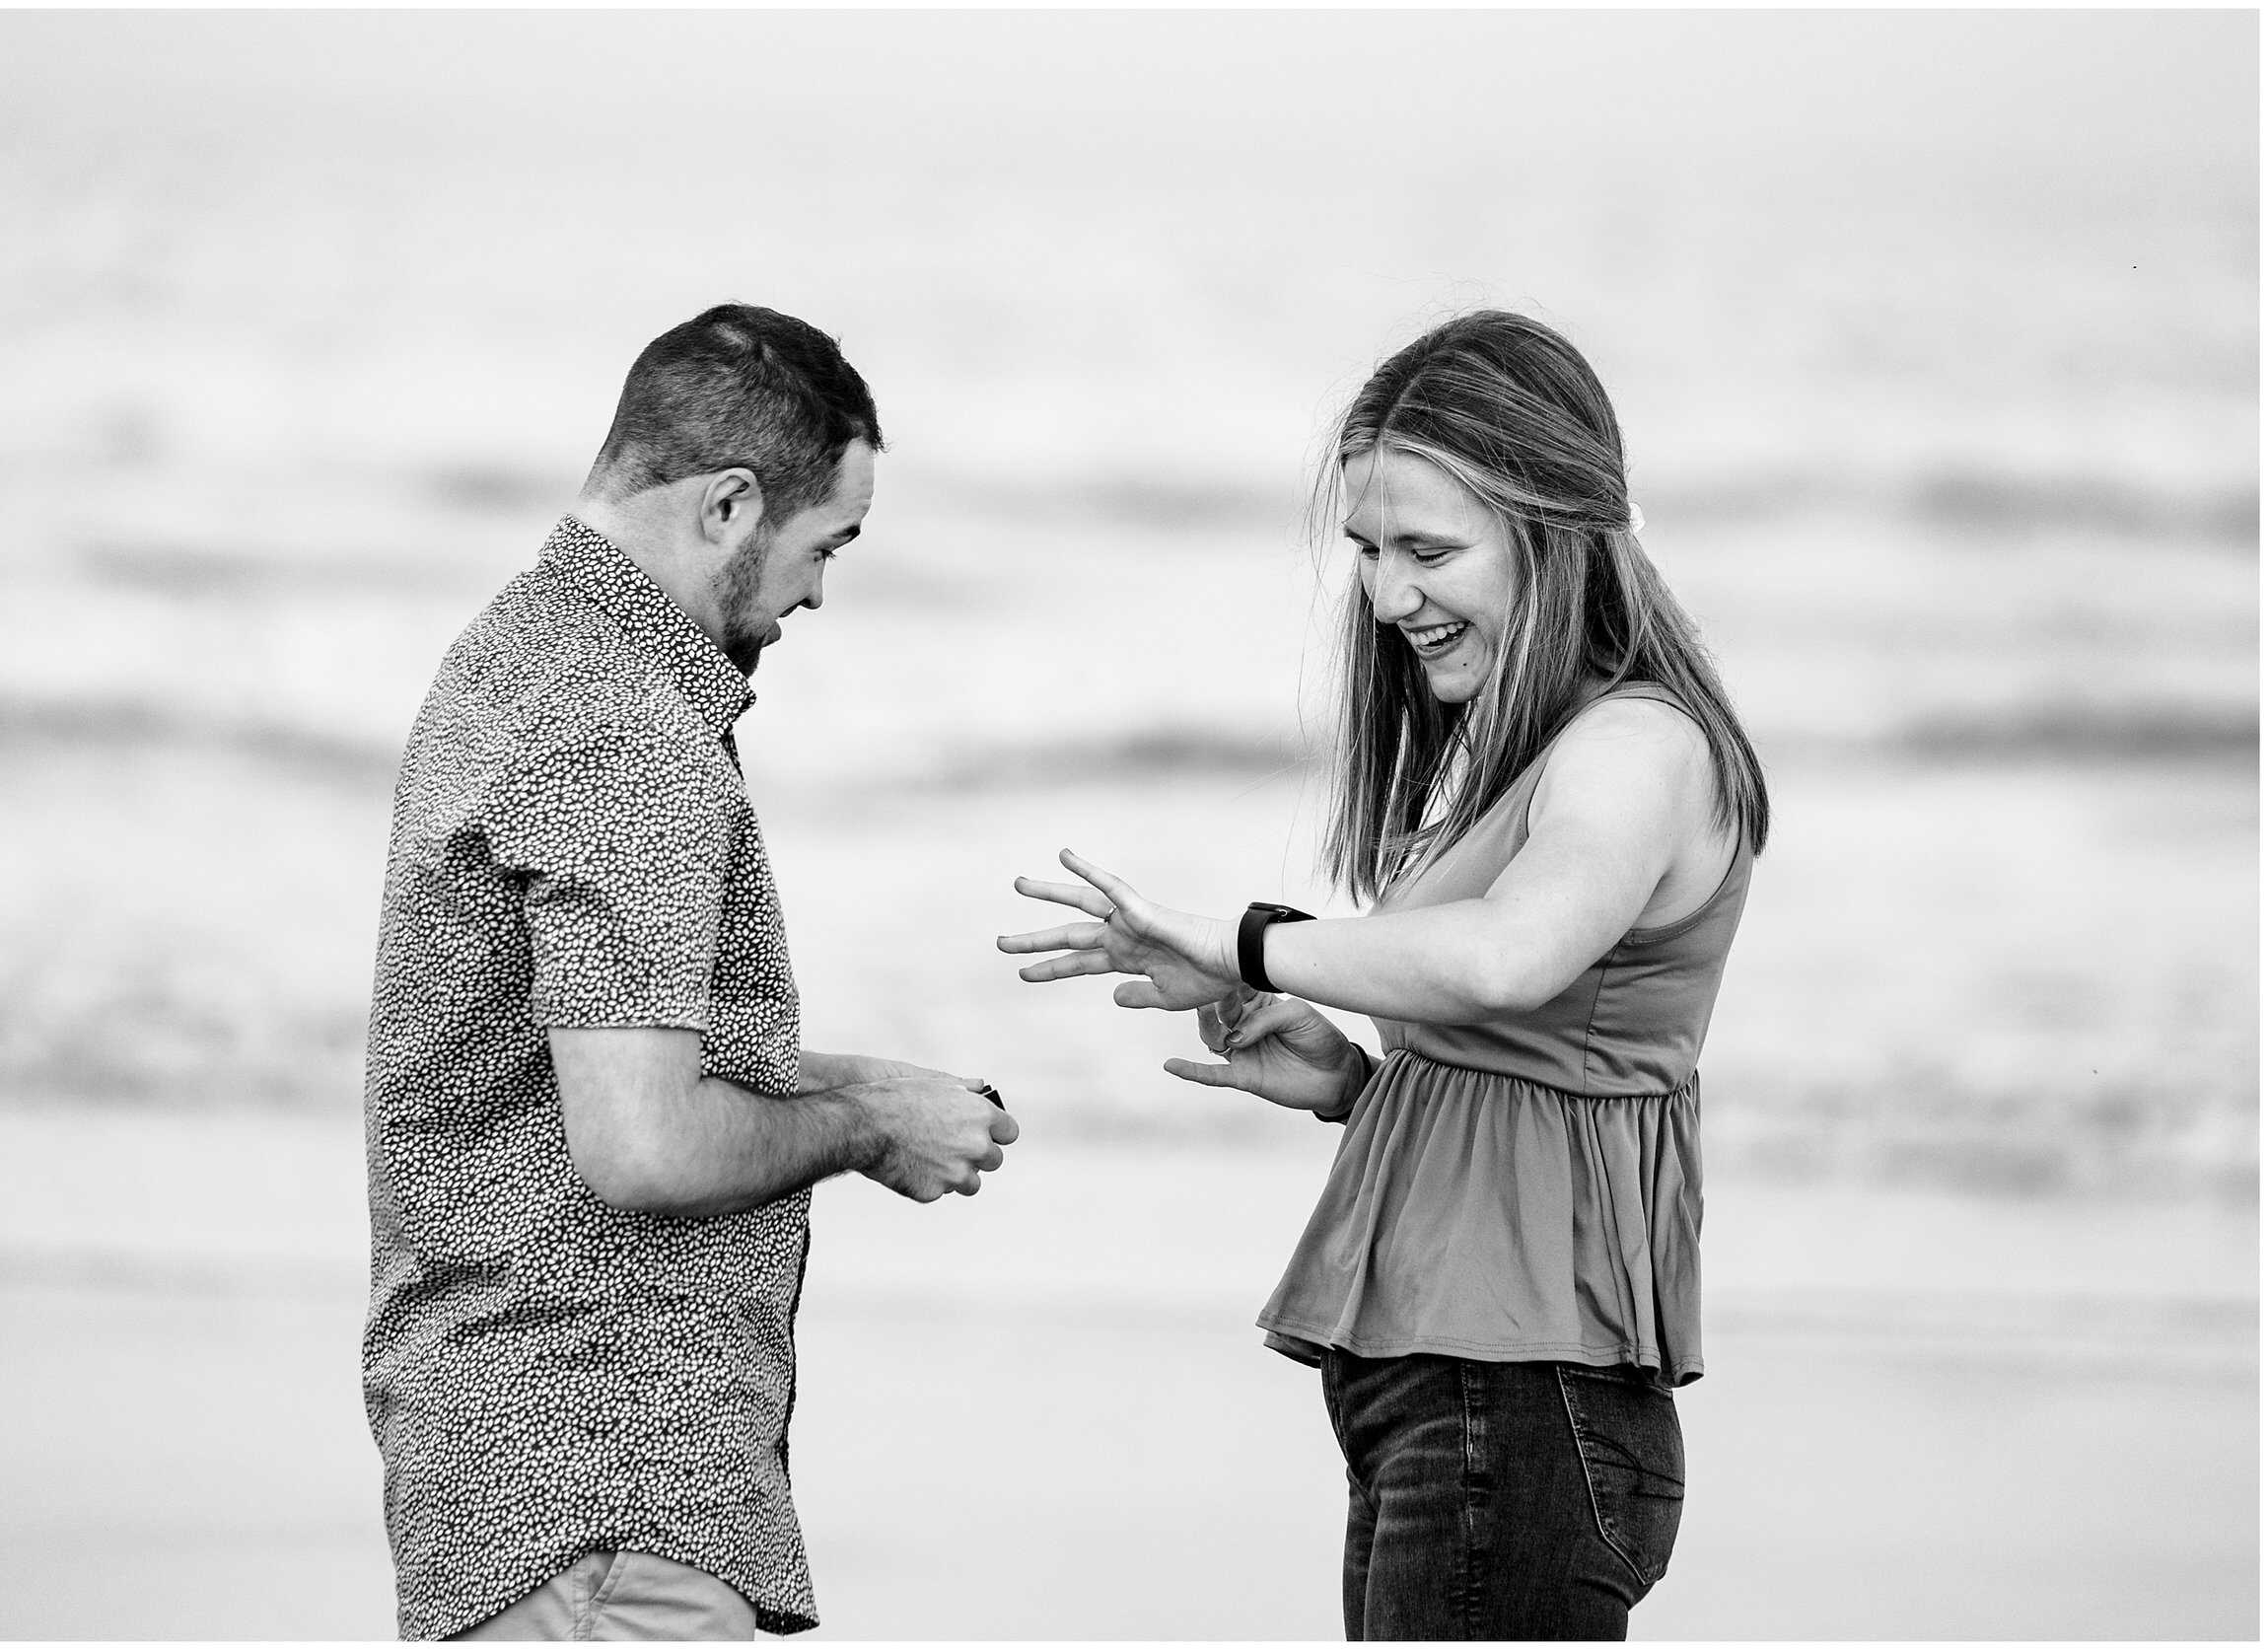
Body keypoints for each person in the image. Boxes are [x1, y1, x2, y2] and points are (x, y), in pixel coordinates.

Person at [999, 310, 1767, 1640]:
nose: (1386, 593)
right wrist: (1363, 1086)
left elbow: (1507, 955)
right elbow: (1545, 1067)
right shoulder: (1540, 751)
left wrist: (1239, 937)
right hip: (1467, 1395)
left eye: (1426, 549)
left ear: (1555, 524)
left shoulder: (1636, 748)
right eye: (1364, 548)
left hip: (1521, 1405)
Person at [363, 302, 1018, 1642]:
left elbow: (570, 1057)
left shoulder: (517, 655)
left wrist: (847, 1082)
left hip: (515, 1477)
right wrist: (861, 1126)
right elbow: (643, 1142)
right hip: (610, 1496)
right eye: (824, 545)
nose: (819, 593)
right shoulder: (627, 728)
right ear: (729, 504)